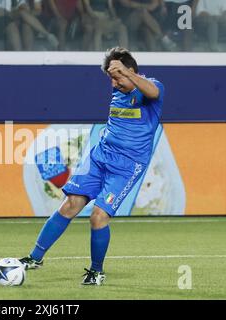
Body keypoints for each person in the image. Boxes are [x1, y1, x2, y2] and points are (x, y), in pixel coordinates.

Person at [19, 47, 164, 285]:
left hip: (127, 167)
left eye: (117, 77)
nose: (114, 84)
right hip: (99, 157)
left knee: (98, 217)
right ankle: (35, 258)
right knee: (69, 205)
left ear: (131, 71)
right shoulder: (118, 94)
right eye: (111, 79)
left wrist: (127, 74)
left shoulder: (152, 88)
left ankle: (96, 271)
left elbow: (154, 91)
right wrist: (121, 76)